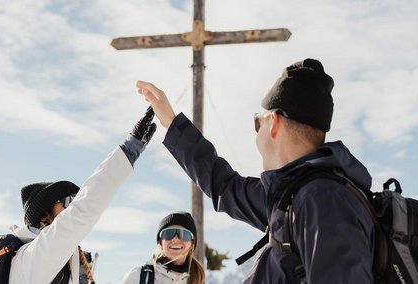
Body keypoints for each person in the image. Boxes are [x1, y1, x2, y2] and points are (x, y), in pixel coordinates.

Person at [136, 58, 375, 283]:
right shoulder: (291, 198)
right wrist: (171, 122)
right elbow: (225, 186)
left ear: (274, 123)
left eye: (257, 122)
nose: (256, 130)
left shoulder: (323, 201)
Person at [7, 107, 158, 284]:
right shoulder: (34, 257)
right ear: (46, 211)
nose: (73, 207)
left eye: (75, 201)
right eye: (69, 202)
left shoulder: (67, 264)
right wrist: (130, 150)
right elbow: (84, 209)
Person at [120, 212, 206, 284]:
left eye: (183, 234)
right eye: (169, 234)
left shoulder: (198, 279)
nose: (175, 239)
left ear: (192, 243)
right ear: (160, 242)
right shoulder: (138, 277)